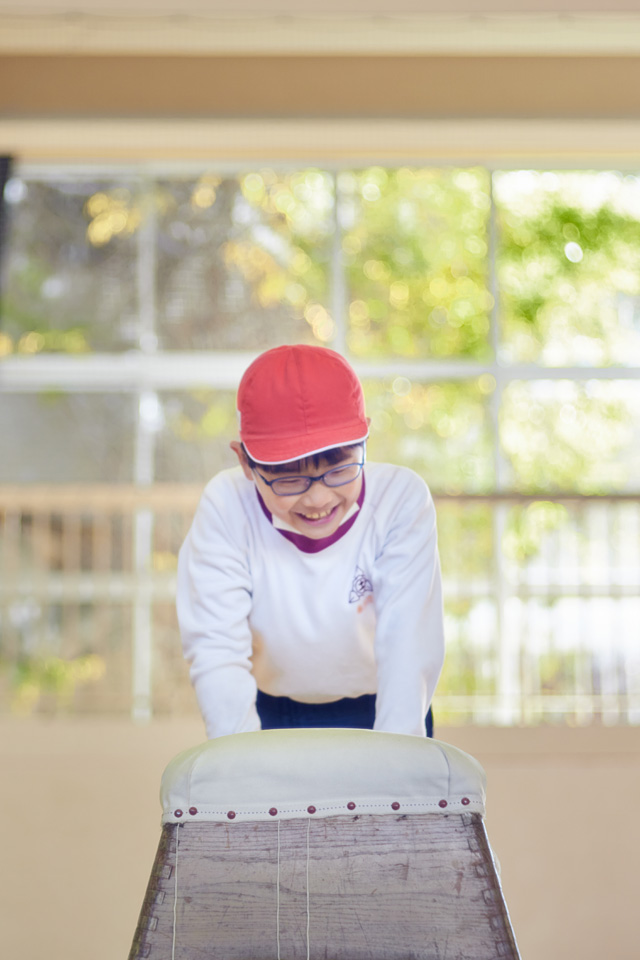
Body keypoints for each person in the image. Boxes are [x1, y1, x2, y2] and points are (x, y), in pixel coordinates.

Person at [177, 344, 444, 740]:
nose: (318, 499)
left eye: (339, 469)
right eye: (289, 478)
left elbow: (408, 645)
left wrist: (400, 755)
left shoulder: (400, 499)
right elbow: (217, 648)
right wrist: (237, 758)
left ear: (365, 439)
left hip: (382, 703)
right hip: (270, 708)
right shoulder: (226, 505)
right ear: (246, 463)